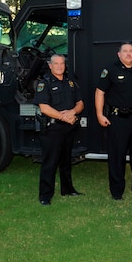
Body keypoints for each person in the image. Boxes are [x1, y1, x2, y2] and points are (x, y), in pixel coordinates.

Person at [95, 42, 132, 200]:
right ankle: (117, 191)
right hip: (118, 119)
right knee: (117, 156)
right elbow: (99, 93)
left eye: (131, 51)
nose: (128, 54)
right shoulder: (110, 70)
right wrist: (99, 114)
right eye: (125, 51)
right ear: (119, 54)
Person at [34, 54, 84, 205]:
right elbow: (44, 107)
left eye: (62, 63)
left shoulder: (70, 83)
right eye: (56, 63)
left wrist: (72, 112)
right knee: (50, 163)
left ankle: (68, 189)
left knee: (66, 161)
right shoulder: (45, 83)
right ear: (50, 66)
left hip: (68, 128)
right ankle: (45, 196)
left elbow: (80, 103)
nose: (60, 66)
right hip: (52, 128)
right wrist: (63, 117)